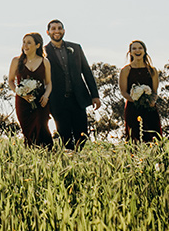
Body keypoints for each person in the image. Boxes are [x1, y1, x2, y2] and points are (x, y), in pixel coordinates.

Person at [44, 19, 100, 150]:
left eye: (59, 28)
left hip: (77, 98)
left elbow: (87, 72)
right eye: (53, 29)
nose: (56, 31)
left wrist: (95, 95)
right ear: (48, 32)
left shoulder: (76, 48)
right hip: (57, 100)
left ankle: (80, 160)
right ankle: (69, 162)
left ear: (64, 31)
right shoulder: (43, 51)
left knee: (82, 134)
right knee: (64, 135)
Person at [7, 33, 53, 148]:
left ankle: (47, 153)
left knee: (41, 126)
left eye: (29, 42)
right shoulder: (16, 61)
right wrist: (20, 93)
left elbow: (48, 82)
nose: (25, 45)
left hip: (40, 102)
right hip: (23, 102)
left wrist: (46, 95)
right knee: (28, 130)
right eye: (24, 42)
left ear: (37, 45)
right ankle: (31, 155)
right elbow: (11, 81)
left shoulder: (45, 62)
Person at [119, 40, 161, 142]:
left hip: (149, 108)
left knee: (152, 137)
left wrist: (150, 101)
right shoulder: (125, 70)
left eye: (140, 48)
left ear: (145, 51)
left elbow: (155, 91)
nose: (137, 50)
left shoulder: (152, 71)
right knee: (134, 137)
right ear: (130, 52)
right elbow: (124, 92)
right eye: (134, 48)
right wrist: (136, 100)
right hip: (133, 108)